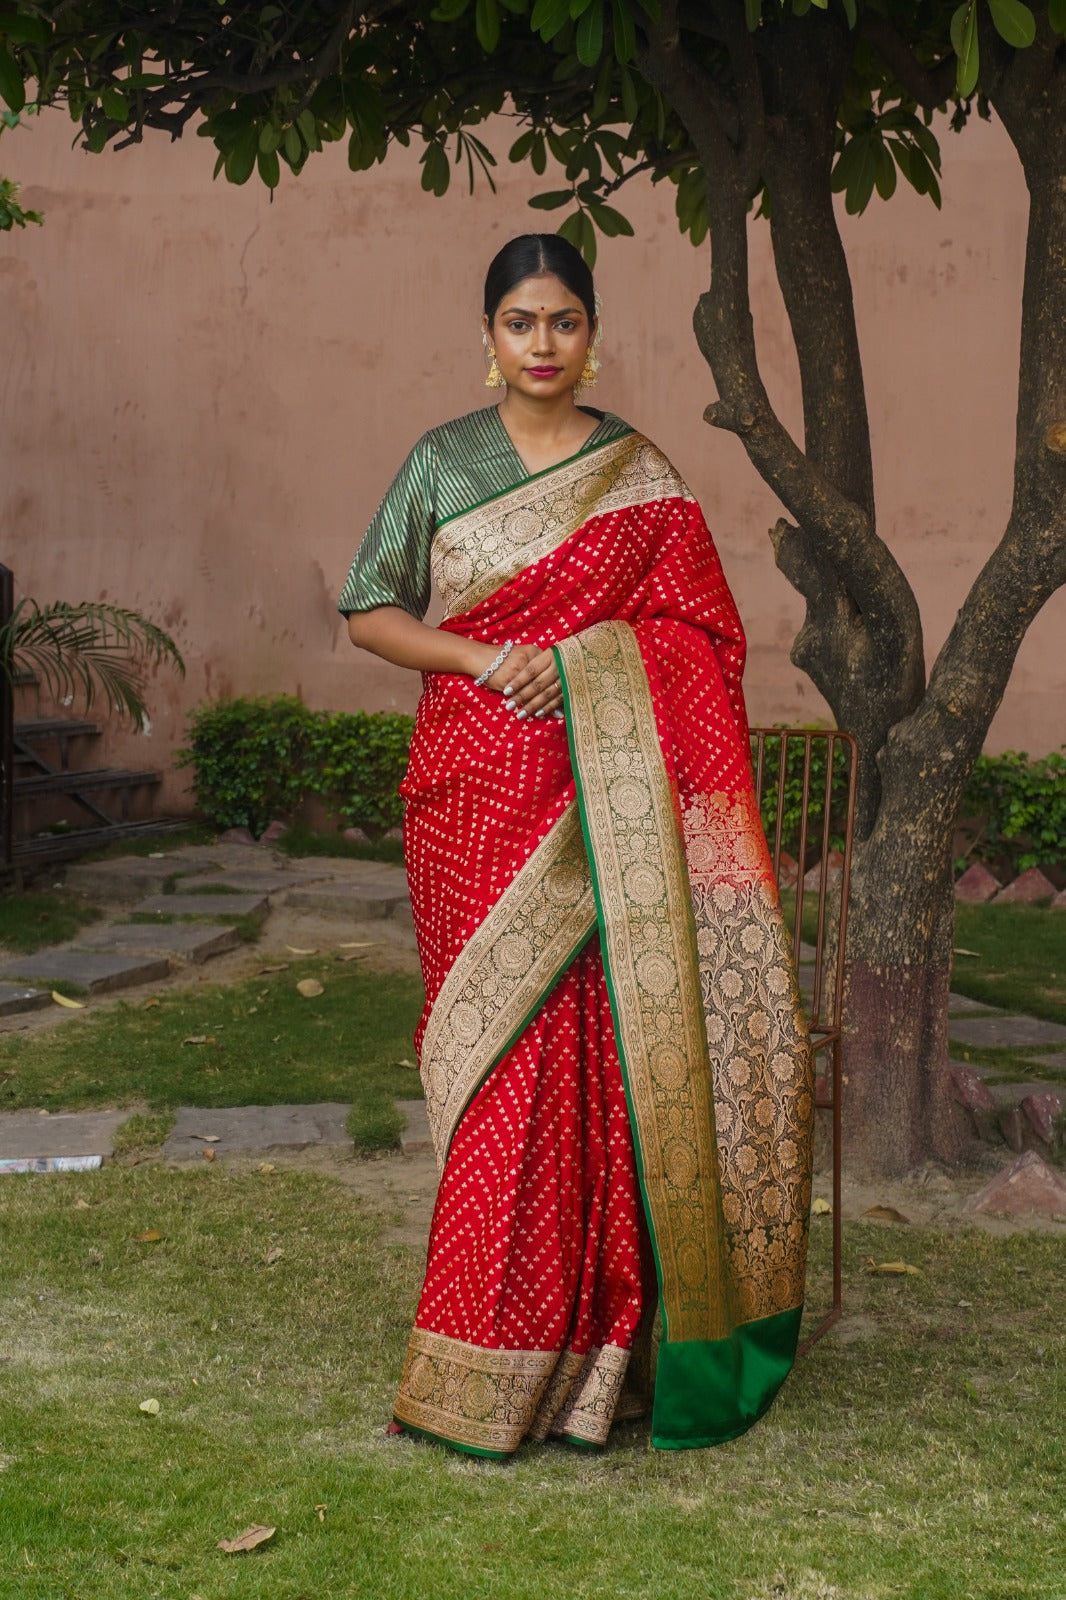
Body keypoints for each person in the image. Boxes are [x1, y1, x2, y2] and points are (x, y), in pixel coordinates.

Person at [339, 233, 813, 1457]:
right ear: (485, 333)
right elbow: (370, 608)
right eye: (519, 322)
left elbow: (700, 637)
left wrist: (588, 666)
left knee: (596, 1061)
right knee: (492, 1062)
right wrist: (487, 657)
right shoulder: (441, 462)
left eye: (561, 323)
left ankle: (606, 1354)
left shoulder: (636, 474)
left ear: (589, 334)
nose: (542, 345)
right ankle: (482, 1353)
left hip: (607, 806)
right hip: (471, 784)